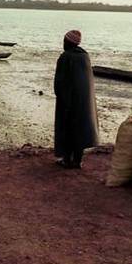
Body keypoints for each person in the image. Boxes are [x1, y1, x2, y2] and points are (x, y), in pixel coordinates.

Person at [53, 30, 99, 169]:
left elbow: (59, 81)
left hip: (68, 100)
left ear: (68, 42)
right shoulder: (85, 56)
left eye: (64, 41)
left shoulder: (65, 57)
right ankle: (78, 161)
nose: (63, 43)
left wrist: (60, 96)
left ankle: (67, 160)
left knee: (66, 128)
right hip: (84, 101)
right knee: (80, 129)